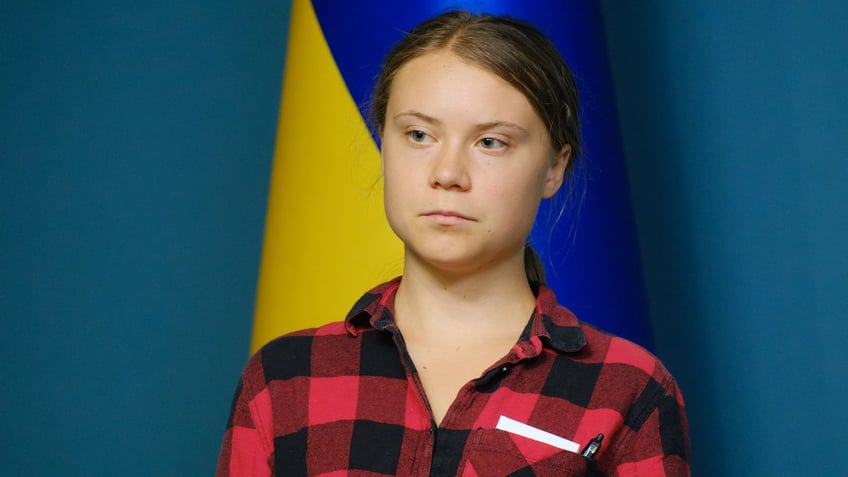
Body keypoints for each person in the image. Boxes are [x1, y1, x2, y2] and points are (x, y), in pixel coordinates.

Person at [217, 10, 689, 477]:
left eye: (491, 142)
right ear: (384, 143)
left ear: (554, 167)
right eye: (419, 135)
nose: (447, 174)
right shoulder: (285, 377)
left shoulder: (629, 389)